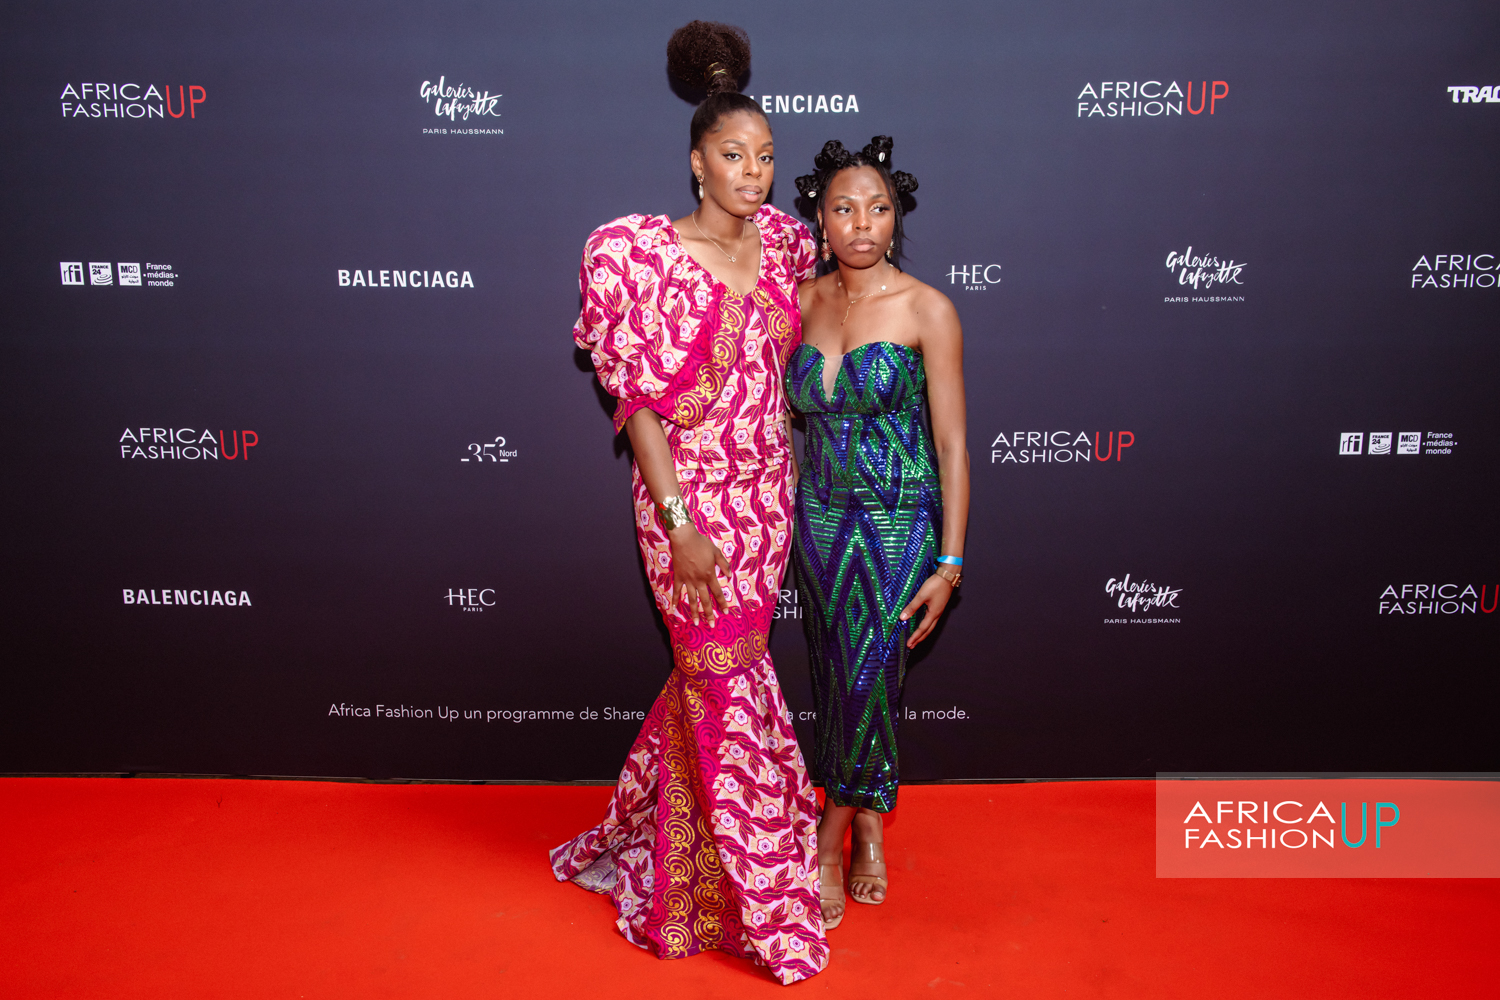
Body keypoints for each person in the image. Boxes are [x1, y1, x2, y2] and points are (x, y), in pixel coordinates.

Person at [550, 21, 827, 985]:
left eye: (767, 156)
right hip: (689, 502)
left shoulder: (789, 246)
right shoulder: (638, 255)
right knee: (719, 674)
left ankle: (671, 850)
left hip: (768, 497)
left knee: (721, 678)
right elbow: (637, 405)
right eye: (734, 155)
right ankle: (760, 897)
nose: (755, 173)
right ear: (697, 162)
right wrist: (680, 526)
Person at [788, 137, 970, 929]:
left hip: (898, 527)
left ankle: (829, 839)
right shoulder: (798, 302)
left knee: (866, 676)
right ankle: (870, 818)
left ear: (897, 218)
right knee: (838, 681)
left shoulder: (928, 308)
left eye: (878, 208)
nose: (862, 223)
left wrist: (950, 563)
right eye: (844, 208)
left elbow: (953, 445)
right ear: (821, 221)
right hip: (818, 525)